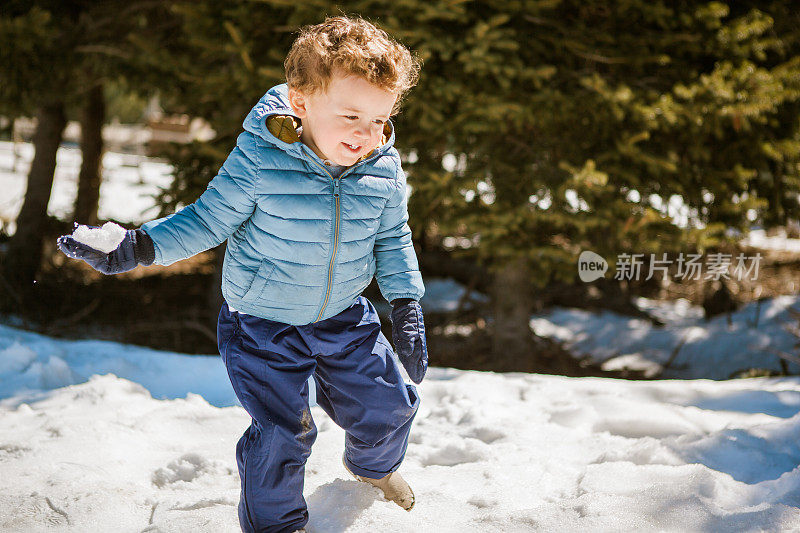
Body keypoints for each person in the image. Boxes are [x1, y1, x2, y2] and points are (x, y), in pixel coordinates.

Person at [58, 15, 427, 533]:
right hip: (262, 324)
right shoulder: (262, 158)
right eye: (350, 116)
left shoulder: (382, 167)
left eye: (380, 120)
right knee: (282, 435)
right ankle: (275, 526)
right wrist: (138, 246)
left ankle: (372, 468)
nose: (367, 135)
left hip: (343, 316)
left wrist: (406, 304)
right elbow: (207, 219)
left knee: (391, 406)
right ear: (301, 103)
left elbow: (393, 238)